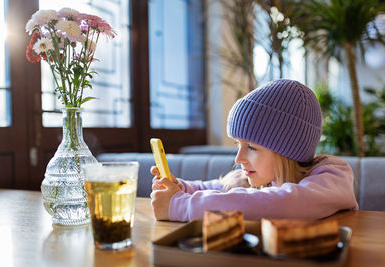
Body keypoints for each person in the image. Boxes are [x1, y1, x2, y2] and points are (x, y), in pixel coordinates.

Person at [150, 79, 358, 222]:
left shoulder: (333, 178)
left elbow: (282, 202)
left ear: (286, 149)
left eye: (251, 147)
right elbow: (214, 187)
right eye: (237, 144)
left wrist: (180, 206)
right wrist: (178, 189)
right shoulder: (259, 178)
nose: (239, 158)